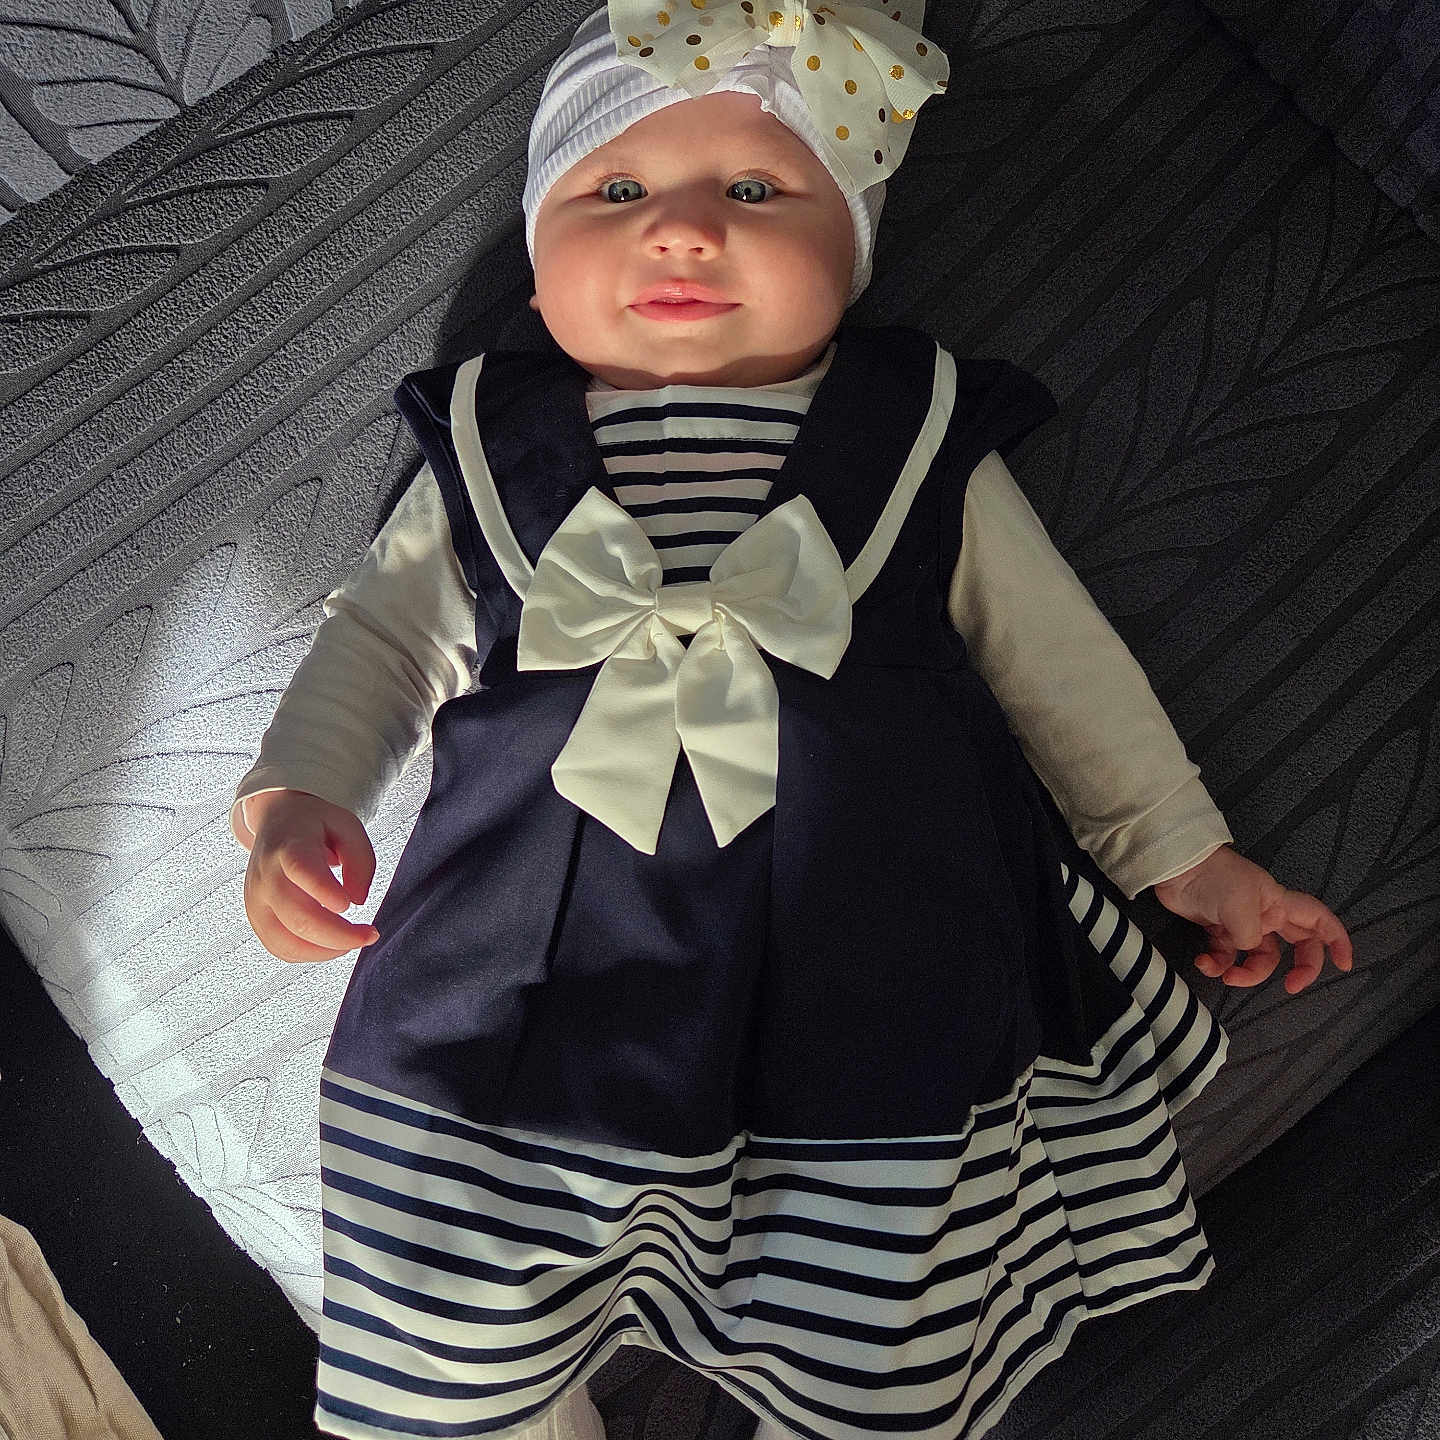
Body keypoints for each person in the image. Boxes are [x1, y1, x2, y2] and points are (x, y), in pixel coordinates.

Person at [232, 1, 1354, 1436]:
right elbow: (382, 643)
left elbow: (1062, 667)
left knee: (880, 1333)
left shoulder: (917, 433)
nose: (685, 230)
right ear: (535, 247)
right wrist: (296, 801)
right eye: (617, 190)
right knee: (446, 1290)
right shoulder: (487, 441)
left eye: (757, 191)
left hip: (871, 980)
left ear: (854, 248)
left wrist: (1185, 854)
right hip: (518, 981)